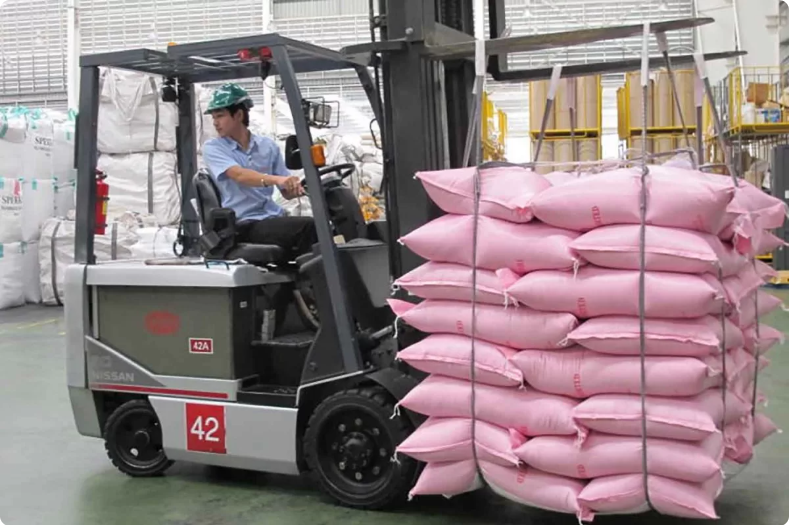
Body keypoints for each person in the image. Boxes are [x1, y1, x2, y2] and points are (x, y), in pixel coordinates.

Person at [202, 83, 318, 259]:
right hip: (243, 223)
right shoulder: (214, 148)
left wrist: (300, 188)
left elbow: (286, 192)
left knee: (324, 227)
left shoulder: (268, 146)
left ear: (238, 115)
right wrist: (276, 179)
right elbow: (239, 175)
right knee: (309, 228)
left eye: (220, 116)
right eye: (214, 117)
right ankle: (313, 275)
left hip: (271, 218)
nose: (215, 123)